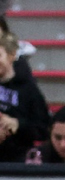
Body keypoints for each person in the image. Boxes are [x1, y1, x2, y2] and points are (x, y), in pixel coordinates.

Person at [0, 31, 49, 163]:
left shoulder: (29, 89)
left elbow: (43, 128)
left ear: (12, 55)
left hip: (18, 160)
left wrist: (18, 125)